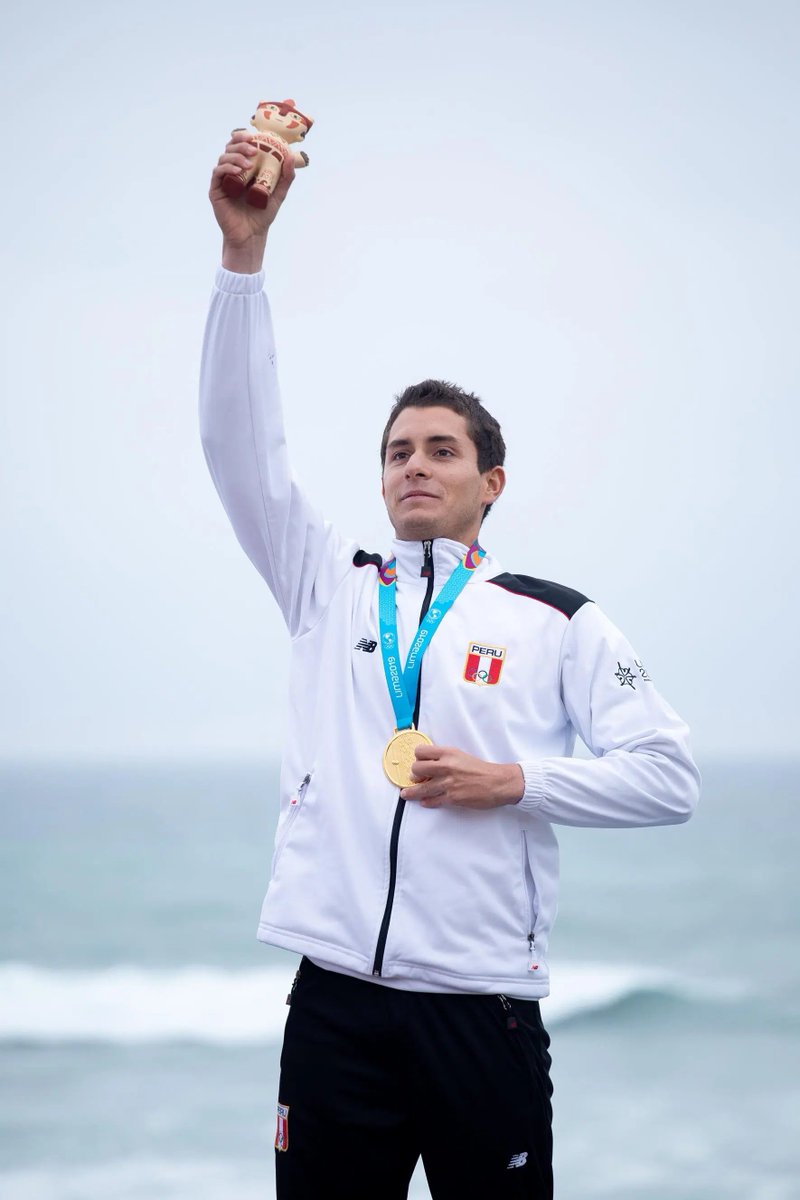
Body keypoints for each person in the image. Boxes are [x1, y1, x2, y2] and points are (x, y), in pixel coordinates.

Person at [200, 131, 701, 1200]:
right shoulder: (325, 582)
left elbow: (668, 776)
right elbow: (239, 444)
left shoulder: (555, 619)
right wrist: (242, 257)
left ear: (491, 482)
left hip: (481, 1009)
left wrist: (512, 781)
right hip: (333, 1002)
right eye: (396, 451)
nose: (413, 466)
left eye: (439, 450)